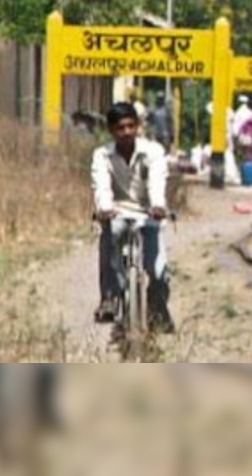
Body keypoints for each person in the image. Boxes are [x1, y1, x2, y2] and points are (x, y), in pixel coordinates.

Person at [90, 101, 175, 333]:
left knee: (158, 272)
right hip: (118, 211)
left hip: (148, 213)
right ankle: (109, 296)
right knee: (110, 236)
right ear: (111, 131)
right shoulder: (102, 155)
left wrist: (158, 205)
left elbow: (158, 181)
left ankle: (157, 307)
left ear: (138, 126)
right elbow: (101, 186)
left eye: (130, 126)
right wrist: (104, 208)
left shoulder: (153, 152)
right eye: (120, 128)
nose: (126, 132)